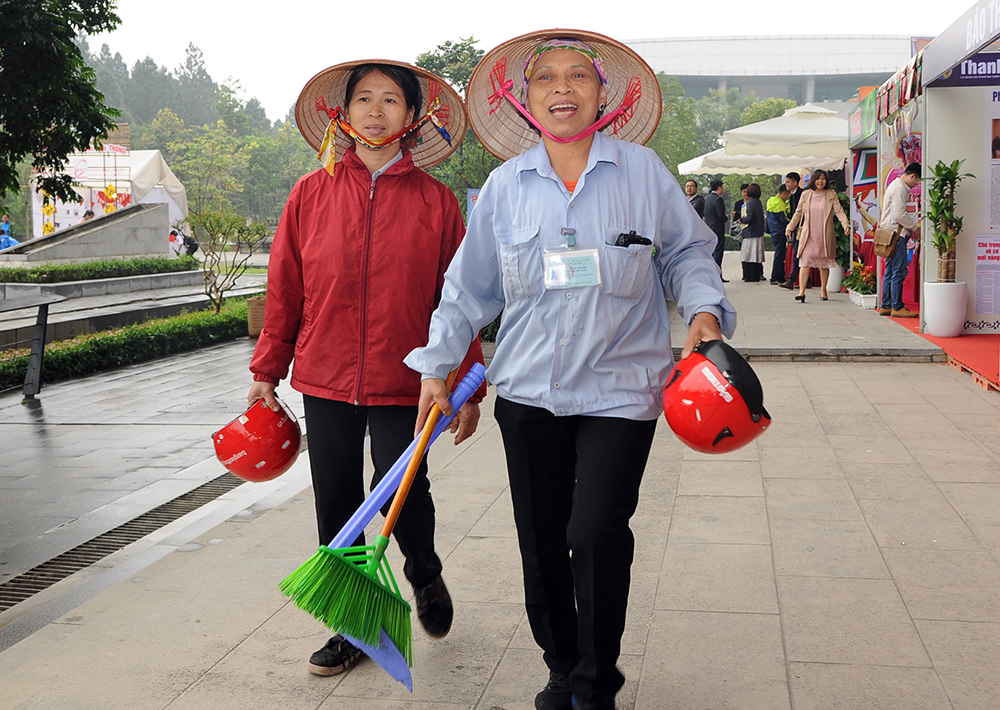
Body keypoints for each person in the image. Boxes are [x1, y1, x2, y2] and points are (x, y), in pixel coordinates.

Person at [404, 30, 735, 710]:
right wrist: (436, 368)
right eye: (546, 77)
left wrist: (703, 310)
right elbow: (468, 290)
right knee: (543, 541)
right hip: (530, 392)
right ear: (523, 100)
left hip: (623, 389)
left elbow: (686, 252)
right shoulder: (505, 187)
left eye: (578, 75)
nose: (562, 87)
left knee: (596, 532)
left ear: (602, 94)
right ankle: (561, 665)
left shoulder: (643, 173)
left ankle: (595, 683)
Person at [247, 60, 486, 677]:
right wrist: (267, 369)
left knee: (402, 487)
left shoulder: (436, 203)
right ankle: (353, 626)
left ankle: (424, 571)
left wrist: (468, 384)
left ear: (413, 117)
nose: (376, 111)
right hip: (325, 374)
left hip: (408, 377)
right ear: (343, 113)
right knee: (336, 501)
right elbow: (285, 289)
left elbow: (460, 299)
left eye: (391, 100)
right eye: (364, 99)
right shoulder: (309, 193)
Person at [786, 169, 849, 303]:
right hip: (808, 234)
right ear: (813, 180)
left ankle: (823, 290)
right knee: (805, 262)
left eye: (823, 179)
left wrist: (845, 225)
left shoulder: (831, 194)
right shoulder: (806, 194)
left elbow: (839, 211)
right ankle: (802, 292)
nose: (821, 181)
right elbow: (798, 212)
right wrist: (790, 227)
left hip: (824, 234)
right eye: (818, 179)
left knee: (824, 264)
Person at [877, 163, 921, 318]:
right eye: (917, 181)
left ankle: (886, 305)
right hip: (897, 235)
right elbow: (900, 214)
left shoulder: (895, 185)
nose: (916, 185)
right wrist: (915, 229)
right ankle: (897, 306)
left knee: (890, 271)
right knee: (898, 272)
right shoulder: (900, 188)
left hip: (889, 234)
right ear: (912, 176)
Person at [778, 172, 803, 289]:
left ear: (795, 182)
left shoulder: (802, 194)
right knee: (798, 253)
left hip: (801, 228)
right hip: (795, 227)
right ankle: (806, 280)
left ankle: (792, 279)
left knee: (798, 253)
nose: (786, 184)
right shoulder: (792, 195)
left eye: (788, 182)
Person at [739, 183, 765, 282]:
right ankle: (756, 275)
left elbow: (750, 218)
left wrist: (742, 220)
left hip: (751, 232)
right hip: (758, 231)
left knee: (749, 254)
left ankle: (749, 276)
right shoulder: (758, 202)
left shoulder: (750, 203)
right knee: (756, 255)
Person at [703, 178, 728, 280]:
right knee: (718, 252)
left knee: (711, 252)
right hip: (717, 228)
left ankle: (712, 274)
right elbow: (720, 215)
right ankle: (717, 274)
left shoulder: (706, 198)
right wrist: (726, 218)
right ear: (719, 188)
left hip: (709, 228)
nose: (723, 189)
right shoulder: (718, 199)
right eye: (722, 187)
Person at [766, 185, 791, 284]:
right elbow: (783, 219)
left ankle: (779, 276)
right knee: (780, 255)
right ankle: (775, 277)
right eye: (788, 195)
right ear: (784, 193)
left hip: (773, 231)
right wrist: (792, 224)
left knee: (778, 253)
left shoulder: (770, 200)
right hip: (780, 231)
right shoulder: (780, 203)